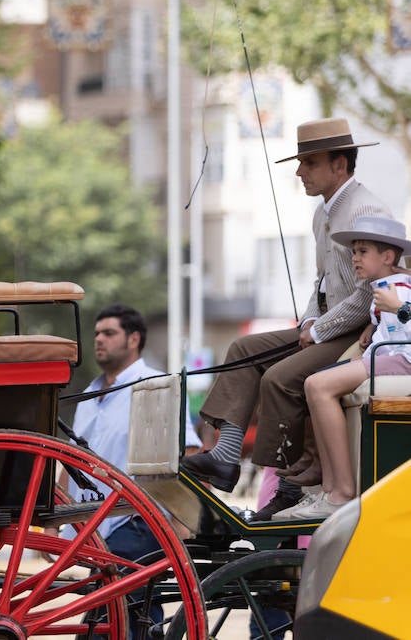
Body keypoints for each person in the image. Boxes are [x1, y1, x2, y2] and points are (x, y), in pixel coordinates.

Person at [181, 117, 393, 520]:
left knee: (279, 376)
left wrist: (321, 329)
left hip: (359, 328)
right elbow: (323, 283)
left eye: (309, 162)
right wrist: (308, 325)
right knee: (244, 347)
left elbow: (367, 293)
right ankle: (225, 455)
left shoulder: (364, 209)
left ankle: (291, 483)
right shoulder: (323, 212)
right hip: (329, 324)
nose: (300, 171)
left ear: (340, 166)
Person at [60, 304, 200, 638]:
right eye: (96, 334)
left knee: (114, 609)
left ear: (133, 338)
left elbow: (189, 453)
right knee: (116, 610)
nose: (99, 340)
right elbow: (73, 460)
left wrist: (183, 522)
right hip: (93, 524)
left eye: (109, 333)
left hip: (138, 519)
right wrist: (57, 520)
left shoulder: (154, 386)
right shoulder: (90, 394)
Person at [275, 217, 411, 520]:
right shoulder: (386, 287)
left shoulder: (400, 288)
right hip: (386, 355)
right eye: (354, 252)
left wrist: (397, 309)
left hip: (402, 361)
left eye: (363, 252)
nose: (355, 259)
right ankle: (330, 488)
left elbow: (404, 319)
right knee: (315, 382)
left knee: (318, 385)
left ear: (387, 257)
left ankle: (342, 491)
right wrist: (372, 325)